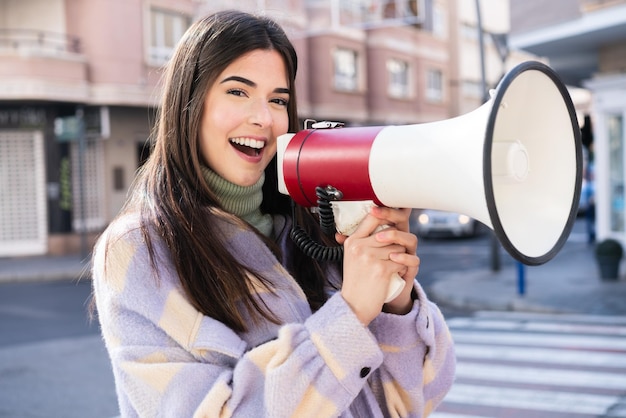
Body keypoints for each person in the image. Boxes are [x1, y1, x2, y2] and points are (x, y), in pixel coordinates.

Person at [91, 9, 455, 417]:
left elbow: (414, 401)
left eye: (278, 100)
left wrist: (394, 302)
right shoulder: (141, 250)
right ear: (190, 103)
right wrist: (350, 314)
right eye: (237, 92)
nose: (263, 118)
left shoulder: (316, 228)